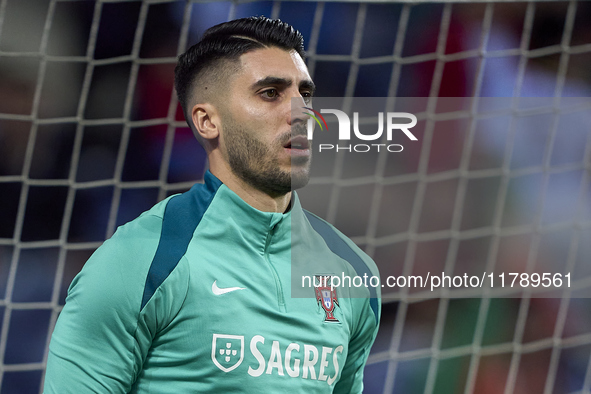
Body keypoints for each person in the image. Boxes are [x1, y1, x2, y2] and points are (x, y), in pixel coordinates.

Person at [44, 16, 380, 393]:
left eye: (305, 93)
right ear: (206, 121)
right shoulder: (141, 260)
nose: (300, 113)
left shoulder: (352, 272)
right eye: (270, 93)